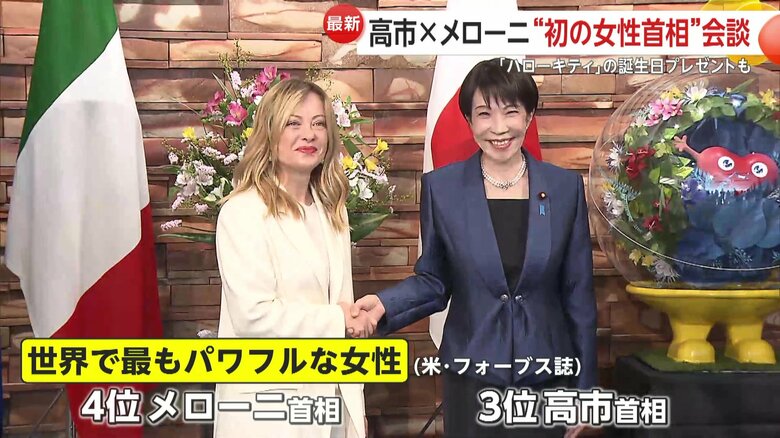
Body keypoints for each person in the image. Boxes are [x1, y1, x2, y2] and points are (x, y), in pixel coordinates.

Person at [351, 59, 597, 438]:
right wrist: (385, 304)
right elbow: (434, 280)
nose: (498, 128)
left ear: (529, 115)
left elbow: (578, 294)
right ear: (468, 120)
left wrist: (585, 390)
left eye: (510, 112)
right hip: (472, 376)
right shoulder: (443, 188)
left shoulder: (564, 188)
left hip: (547, 377)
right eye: (484, 114)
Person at [212, 78, 369, 438]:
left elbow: (343, 305)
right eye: (293, 123)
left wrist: (354, 408)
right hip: (268, 411)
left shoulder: (332, 211)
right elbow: (253, 316)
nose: (308, 134)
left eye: (318, 123)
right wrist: (338, 320)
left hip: (331, 403)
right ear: (270, 133)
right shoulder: (243, 212)